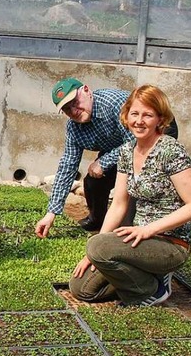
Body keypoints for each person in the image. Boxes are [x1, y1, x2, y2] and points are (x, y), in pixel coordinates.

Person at [69, 85, 191, 307]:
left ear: (160, 119)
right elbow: (119, 205)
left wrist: (148, 229)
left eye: (148, 115)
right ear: (126, 115)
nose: (139, 121)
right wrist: (93, 252)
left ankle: (151, 291)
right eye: (135, 114)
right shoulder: (127, 150)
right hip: (138, 240)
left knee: (99, 248)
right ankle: (148, 276)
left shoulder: (170, 150)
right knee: (81, 287)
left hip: (170, 243)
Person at [35, 77, 178, 237]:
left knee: (134, 187)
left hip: (153, 130)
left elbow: (136, 143)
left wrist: (104, 161)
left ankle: (137, 223)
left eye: (75, 102)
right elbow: (68, 165)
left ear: (87, 91)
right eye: (67, 109)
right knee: (93, 181)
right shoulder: (73, 128)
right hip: (120, 145)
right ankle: (98, 220)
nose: (74, 110)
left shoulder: (113, 104)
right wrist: (51, 213)